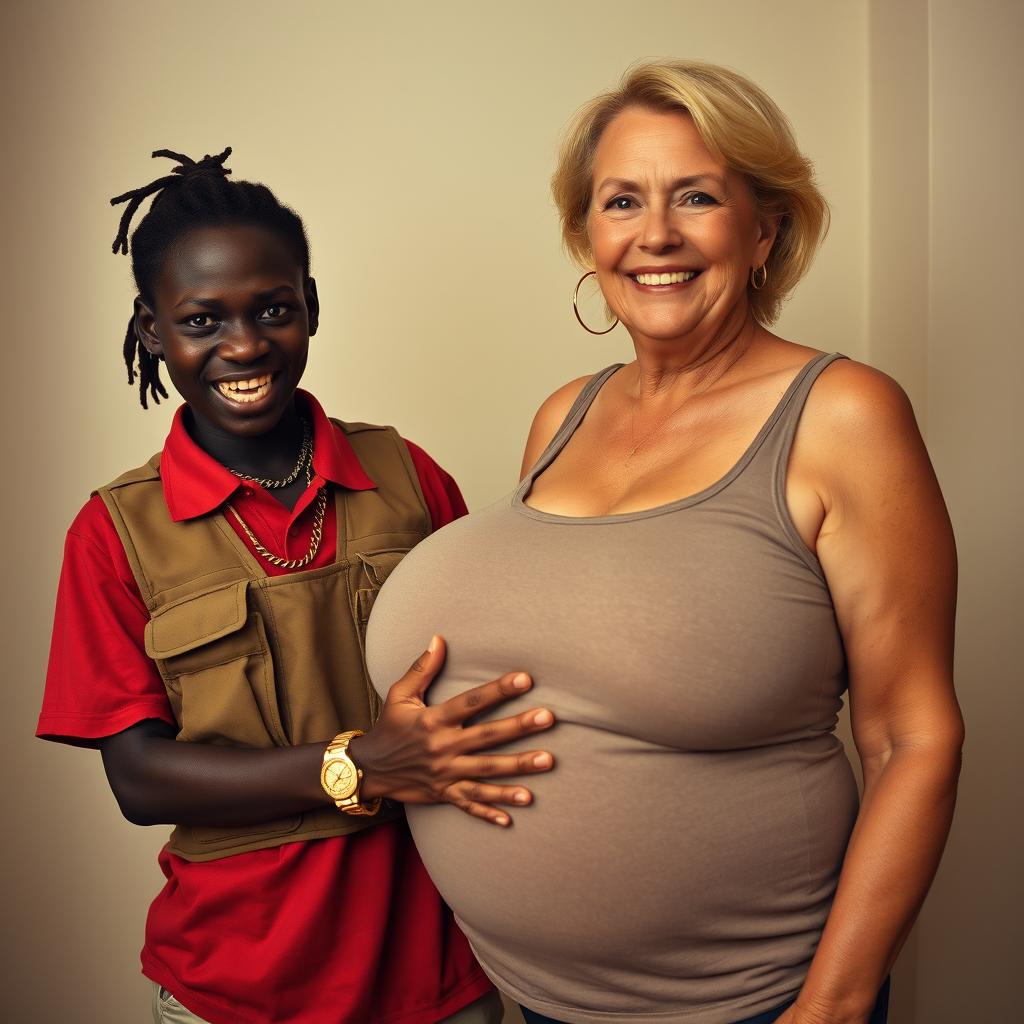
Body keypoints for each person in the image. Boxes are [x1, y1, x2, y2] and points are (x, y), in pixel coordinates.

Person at [364, 61, 964, 1024]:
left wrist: (831, 1010)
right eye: (621, 202)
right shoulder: (566, 413)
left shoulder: (843, 415)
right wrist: (410, 741)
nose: (656, 235)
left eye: (696, 196)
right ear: (587, 236)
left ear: (764, 228)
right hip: (541, 1001)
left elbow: (912, 738)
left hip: (755, 1005)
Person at [36, 148, 558, 1024]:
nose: (244, 346)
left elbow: (487, 694)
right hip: (236, 990)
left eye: (273, 309)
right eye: (202, 320)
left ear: (310, 306)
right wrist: (358, 764)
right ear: (154, 329)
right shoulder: (112, 533)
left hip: (439, 978)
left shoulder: (408, 474)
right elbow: (139, 779)